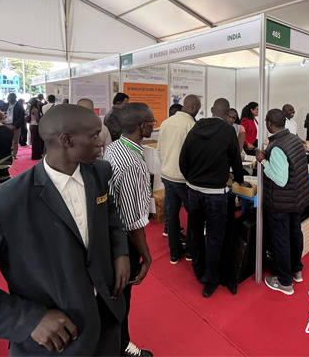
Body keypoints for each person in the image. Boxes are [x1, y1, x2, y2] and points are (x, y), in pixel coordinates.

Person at [0, 104, 130, 356]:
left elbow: (109, 212)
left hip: (108, 319)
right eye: (94, 135)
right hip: (58, 340)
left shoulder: (99, 171)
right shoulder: (3, 203)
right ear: (67, 140)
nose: (101, 142)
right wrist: (28, 319)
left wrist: (120, 251)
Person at [179, 98, 250, 298]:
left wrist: (192, 179)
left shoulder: (195, 127)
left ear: (211, 110)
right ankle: (210, 280)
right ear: (227, 114)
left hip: (194, 190)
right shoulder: (228, 131)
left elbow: (183, 159)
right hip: (216, 194)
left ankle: (198, 269)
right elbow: (235, 159)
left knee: (194, 231)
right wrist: (240, 179)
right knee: (214, 237)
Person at [104, 103, 154, 357]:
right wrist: (146, 256)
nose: (154, 125)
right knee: (123, 297)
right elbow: (134, 222)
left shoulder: (115, 147)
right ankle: (122, 347)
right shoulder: (134, 163)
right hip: (123, 241)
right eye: (152, 122)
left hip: (109, 233)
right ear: (143, 126)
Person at [255, 109, 309, 296]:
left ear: (269, 123)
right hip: (298, 198)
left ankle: (284, 281)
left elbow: (280, 179)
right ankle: (296, 270)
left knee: (281, 239)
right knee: (295, 234)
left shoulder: (277, 146)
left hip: (281, 201)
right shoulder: (294, 139)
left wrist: (264, 161)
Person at [157, 95, 201, 264]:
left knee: (172, 214)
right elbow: (195, 155)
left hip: (167, 175)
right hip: (184, 179)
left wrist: (167, 165)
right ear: (193, 107)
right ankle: (190, 251)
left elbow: (159, 150)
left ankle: (174, 253)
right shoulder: (192, 126)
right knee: (193, 214)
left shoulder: (166, 123)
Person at [0, 92, 25, 159]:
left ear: (14, 98)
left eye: (10, 98)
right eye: (8, 98)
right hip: (5, 124)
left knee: (15, 140)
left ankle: (14, 154)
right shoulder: (5, 105)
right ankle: (6, 153)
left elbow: (21, 117)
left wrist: (15, 126)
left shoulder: (19, 106)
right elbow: (1, 114)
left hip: (15, 126)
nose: (8, 99)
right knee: (5, 140)